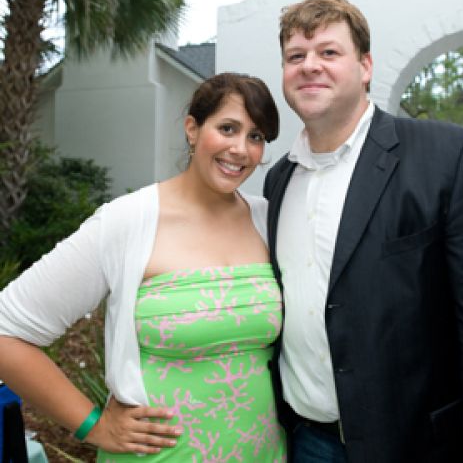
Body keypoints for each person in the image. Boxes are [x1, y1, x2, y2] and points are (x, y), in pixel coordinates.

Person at [0, 72, 287, 461]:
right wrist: (93, 426)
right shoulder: (126, 222)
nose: (240, 149)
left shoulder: (268, 219)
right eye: (227, 128)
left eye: (256, 136)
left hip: (263, 452)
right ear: (192, 129)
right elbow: (6, 332)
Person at [264, 0, 463, 463]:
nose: (310, 66)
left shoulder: (451, 157)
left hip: (416, 445)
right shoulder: (279, 181)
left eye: (329, 52)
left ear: (365, 67)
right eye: (296, 56)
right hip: (305, 441)